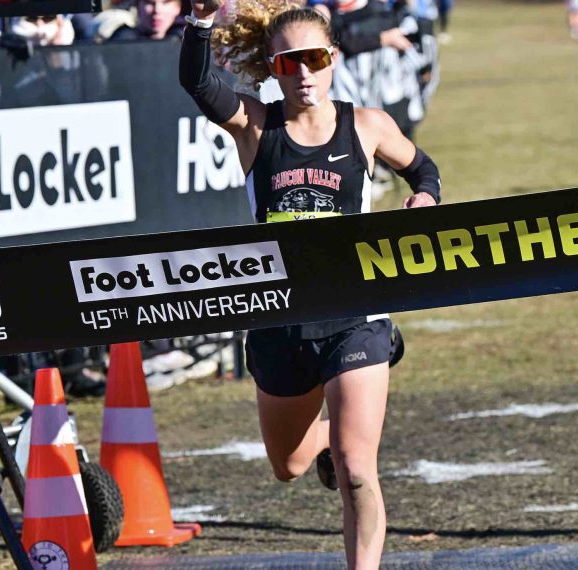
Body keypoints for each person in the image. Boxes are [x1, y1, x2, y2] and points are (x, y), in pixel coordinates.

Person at [179, 2, 440, 568]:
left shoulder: (366, 126)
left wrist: (425, 199)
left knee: (356, 468)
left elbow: (423, 169)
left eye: (314, 59)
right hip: (280, 320)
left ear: (333, 60)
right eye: (290, 63)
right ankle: (324, 438)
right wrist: (199, 21)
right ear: (275, 68)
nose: (304, 74)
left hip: (355, 316)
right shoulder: (256, 125)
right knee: (289, 466)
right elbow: (197, 82)